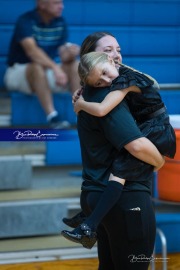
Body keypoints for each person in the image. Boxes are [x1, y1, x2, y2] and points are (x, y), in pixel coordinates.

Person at [61, 32, 166, 270]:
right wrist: (158, 162)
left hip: (97, 194)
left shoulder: (97, 90)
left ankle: (86, 219)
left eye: (117, 49)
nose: (115, 55)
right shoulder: (108, 96)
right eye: (107, 50)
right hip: (125, 199)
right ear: (90, 58)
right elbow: (137, 145)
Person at [4, 0, 80, 128]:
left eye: (61, 3)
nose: (62, 6)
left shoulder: (60, 21)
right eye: (56, 3)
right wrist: (55, 67)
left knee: (75, 64)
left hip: (46, 73)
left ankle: (82, 113)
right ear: (42, 4)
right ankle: (52, 117)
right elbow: (32, 52)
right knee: (36, 66)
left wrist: (71, 53)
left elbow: (63, 54)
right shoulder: (25, 20)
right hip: (17, 73)